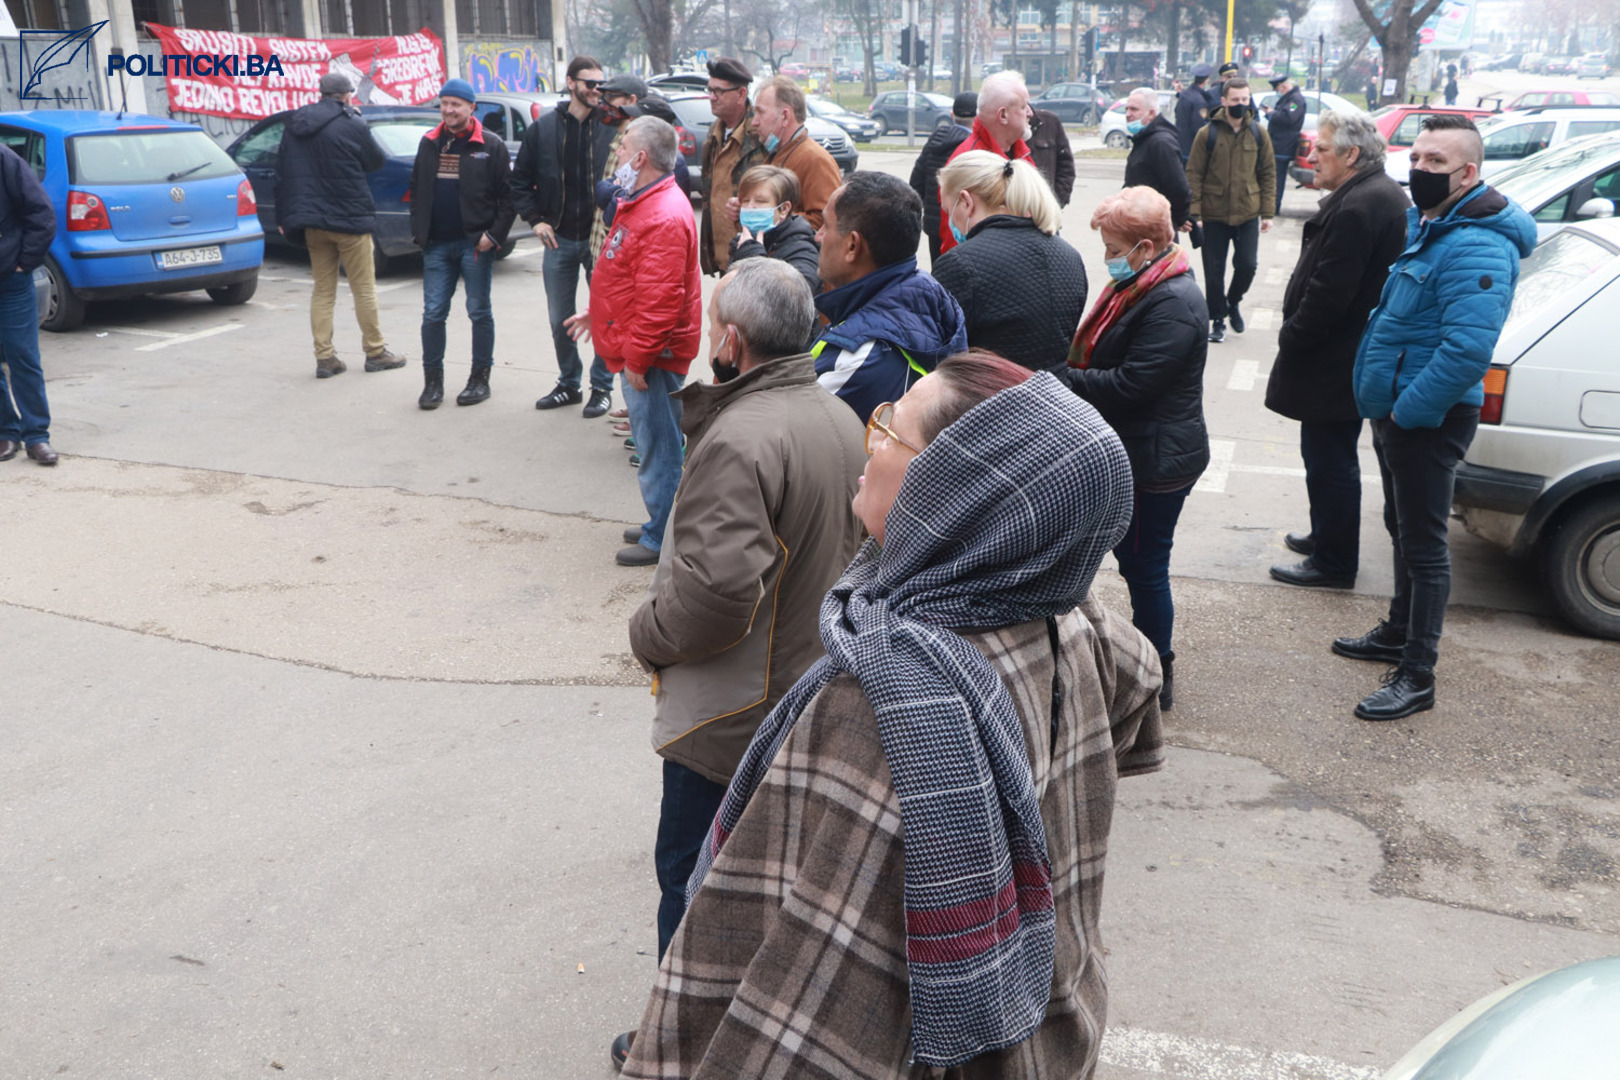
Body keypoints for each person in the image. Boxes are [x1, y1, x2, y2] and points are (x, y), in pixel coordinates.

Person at [618, 352, 1164, 1080]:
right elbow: (1140, 701)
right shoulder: (1072, 620)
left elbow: (808, 1009)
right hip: (1057, 1024)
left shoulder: (887, 703)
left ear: (955, 493)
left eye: (891, 433)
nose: (870, 447)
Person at [608, 257, 867, 1069]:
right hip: (803, 686)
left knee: (693, 884)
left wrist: (647, 633)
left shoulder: (744, 433)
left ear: (730, 339)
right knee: (761, 886)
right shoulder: (832, 414)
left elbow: (718, 597)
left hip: (734, 713)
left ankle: (679, 1044)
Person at [1338, 114, 1535, 721]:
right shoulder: (1433, 223)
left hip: (1426, 417)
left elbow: (1467, 351)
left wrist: (1408, 410)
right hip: (1398, 411)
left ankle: (1417, 673)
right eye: (1416, 157)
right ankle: (1398, 630)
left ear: (1468, 173)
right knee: (1400, 526)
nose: (1417, 170)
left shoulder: (1478, 244)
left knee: (1425, 548)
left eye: (1434, 163)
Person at [1060, 187, 1209, 710]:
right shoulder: (1146, 284)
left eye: (1114, 246)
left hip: (1157, 459)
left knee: (1145, 566)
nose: (1107, 257)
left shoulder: (1174, 302)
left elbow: (1131, 385)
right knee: (1134, 561)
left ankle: (1157, 673)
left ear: (1146, 246)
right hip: (1139, 447)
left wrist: (1064, 378)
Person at [1266, 111, 1410, 593]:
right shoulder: (1369, 194)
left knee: (1330, 458)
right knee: (1327, 454)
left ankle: (1333, 560)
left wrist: (1294, 334)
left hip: (1337, 354)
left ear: (1351, 155)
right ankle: (1327, 535)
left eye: (1322, 149)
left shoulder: (1360, 205)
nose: (1312, 157)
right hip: (1345, 352)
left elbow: (1331, 292)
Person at [564, 117, 702, 568]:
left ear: (641, 157)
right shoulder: (645, 201)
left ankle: (662, 534)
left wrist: (638, 360)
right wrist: (599, 314)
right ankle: (659, 521)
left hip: (652, 355)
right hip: (642, 348)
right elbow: (632, 281)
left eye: (623, 148)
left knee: (658, 446)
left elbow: (660, 302)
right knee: (653, 442)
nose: (618, 156)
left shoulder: (660, 212)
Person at [275, 70, 406, 380]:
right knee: (364, 289)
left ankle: (325, 358)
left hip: (312, 222)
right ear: (347, 95)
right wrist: (357, 122)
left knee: (323, 291)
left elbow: (282, 171)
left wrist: (285, 216)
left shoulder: (295, 125)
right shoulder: (352, 123)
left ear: (320, 94)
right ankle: (375, 352)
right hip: (349, 219)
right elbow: (375, 162)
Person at [812, 171, 967, 421]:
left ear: (852, 246)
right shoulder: (925, 294)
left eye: (826, 225)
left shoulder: (862, 357)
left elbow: (790, 435)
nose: (817, 236)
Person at [512, 56, 616, 418]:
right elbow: (519, 180)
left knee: (603, 316)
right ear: (571, 83)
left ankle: (601, 387)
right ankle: (569, 382)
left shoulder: (610, 129)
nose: (596, 91)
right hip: (558, 238)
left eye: (601, 84)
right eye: (590, 83)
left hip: (599, 240)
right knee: (561, 318)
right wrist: (536, 219)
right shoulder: (543, 129)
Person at [408, 78, 515, 410]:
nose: (449, 110)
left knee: (479, 311)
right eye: (444, 104)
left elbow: (508, 199)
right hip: (436, 245)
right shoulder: (429, 142)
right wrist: (419, 233)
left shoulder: (491, 145)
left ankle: (479, 380)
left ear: (471, 107)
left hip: (475, 245)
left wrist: (493, 236)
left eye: (456, 104)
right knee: (433, 313)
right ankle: (432, 384)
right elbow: (417, 190)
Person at [932, 152, 1087, 370]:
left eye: (948, 210)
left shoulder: (960, 263)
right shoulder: (1069, 255)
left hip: (989, 398)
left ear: (966, 202)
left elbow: (940, 354)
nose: (949, 221)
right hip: (1057, 395)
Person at [1186, 77, 1275, 343]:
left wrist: (1267, 213)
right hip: (1213, 215)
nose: (1240, 104)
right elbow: (1194, 175)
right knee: (1214, 272)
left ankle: (1233, 302)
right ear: (1224, 101)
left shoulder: (1259, 133)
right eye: (1235, 100)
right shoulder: (1207, 134)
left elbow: (1268, 173)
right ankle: (1217, 319)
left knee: (1247, 265)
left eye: (1244, 100)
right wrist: (1196, 214)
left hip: (1248, 212)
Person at [0, 142, 56, 466]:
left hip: (11, 280)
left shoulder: (5, 160)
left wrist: (24, 263)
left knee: (23, 358)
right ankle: (7, 432)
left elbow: (41, 213)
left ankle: (37, 436)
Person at [938, 70, 1035, 254]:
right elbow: (954, 240)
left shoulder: (1023, 154)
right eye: (1023, 106)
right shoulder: (968, 164)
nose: (1030, 112)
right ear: (1003, 115)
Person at [699, 57, 767, 275]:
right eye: (709, 90)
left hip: (751, 256)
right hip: (723, 256)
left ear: (741, 94)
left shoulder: (760, 134)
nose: (711, 97)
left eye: (719, 92)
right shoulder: (715, 132)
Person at [749, 75, 842, 230]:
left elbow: (825, 222)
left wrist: (769, 217)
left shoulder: (815, 160)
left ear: (785, 116)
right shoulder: (776, 153)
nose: (754, 122)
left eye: (760, 112)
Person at [728, 165, 820, 295]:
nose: (750, 207)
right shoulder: (743, 242)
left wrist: (754, 260)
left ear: (784, 209)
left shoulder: (802, 248)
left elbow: (797, 297)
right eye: (745, 201)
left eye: (760, 201)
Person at [908, 91, 975, 259]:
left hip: (934, 226)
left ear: (952, 115)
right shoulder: (974, 146)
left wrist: (931, 210)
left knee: (939, 274)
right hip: (963, 226)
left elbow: (916, 183)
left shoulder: (935, 141)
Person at [1124, 86, 1192, 231]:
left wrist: (1177, 218)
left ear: (1151, 113)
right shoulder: (1143, 139)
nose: (1128, 114)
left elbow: (1179, 188)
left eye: (1134, 109)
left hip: (1156, 227)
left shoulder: (1160, 143)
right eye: (1127, 109)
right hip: (1139, 222)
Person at [1265, 72, 1307, 214]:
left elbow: (1289, 118)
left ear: (1283, 87)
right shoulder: (1290, 98)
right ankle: (1271, 206)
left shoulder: (1295, 100)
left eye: (1278, 90)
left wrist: (1272, 113)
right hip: (1278, 144)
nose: (1278, 93)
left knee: (1277, 178)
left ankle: (1274, 207)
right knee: (1273, 177)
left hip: (1283, 145)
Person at [1028, 106, 1075, 207]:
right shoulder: (1007, 129)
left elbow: (1066, 166)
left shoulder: (1050, 122)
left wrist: (1057, 201)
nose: (1028, 113)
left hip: (1048, 208)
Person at [1175, 63, 1217, 161]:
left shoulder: (1184, 95)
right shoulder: (1200, 101)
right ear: (1207, 79)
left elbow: (1176, 112)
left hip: (1180, 144)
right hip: (1191, 148)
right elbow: (1198, 126)